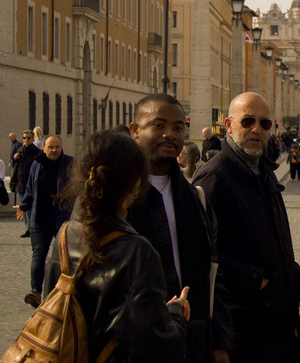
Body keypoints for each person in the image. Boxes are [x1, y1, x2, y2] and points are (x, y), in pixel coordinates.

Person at [43, 130, 189, 362]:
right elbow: (158, 345)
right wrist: (175, 315)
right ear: (133, 183)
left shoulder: (66, 233)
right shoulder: (138, 252)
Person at [194, 93, 300, 362]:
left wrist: (292, 275)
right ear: (229, 126)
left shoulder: (263, 171)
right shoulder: (213, 179)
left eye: (265, 123)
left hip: (278, 325)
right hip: (242, 330)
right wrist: (258, 281)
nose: (257, 129)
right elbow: (201, 256)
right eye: (248, 121)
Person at [127, 93, 233, 363]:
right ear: (135, 131)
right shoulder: (114, 198)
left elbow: (213, 274)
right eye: (159, 125)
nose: (170, 135)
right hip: (132, 342)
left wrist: (220, 343)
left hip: (192, 339)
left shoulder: (195, 197)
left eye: (177, 127)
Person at [15, 135, 72, 307]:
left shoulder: (70, 164)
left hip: (62, 219)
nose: (54, 150)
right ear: (44, 148)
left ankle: (66, 292)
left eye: (57, 147)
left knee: (66, 257)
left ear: (61, 147)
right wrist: (23, 207)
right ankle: (36, 293)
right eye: (50, 147)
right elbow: (30, 190)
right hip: (40, 219)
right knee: (38, 256)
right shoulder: (37, 163)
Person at [10, 130, 42, 237]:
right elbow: (16, 167)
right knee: (23, 207)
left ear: (33, 139)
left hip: (33, 183)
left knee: (32, 207)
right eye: (24, 138)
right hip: (22, 183)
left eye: (28, 138)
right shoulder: (20, 151)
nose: (26, 140)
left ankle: (32, 228)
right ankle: (28, 228)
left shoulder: (36, 152)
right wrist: (14, 159)